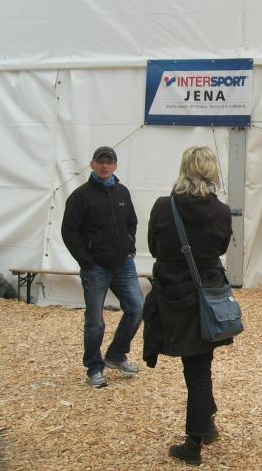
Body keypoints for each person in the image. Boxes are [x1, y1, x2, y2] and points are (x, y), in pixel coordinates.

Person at [143, 146, 233, 466]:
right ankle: (203, 428)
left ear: (184, 168)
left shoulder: (163, 206)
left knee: (195, 369)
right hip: (206, 294)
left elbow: (154, 247)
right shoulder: (221, 211)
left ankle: (195, 441)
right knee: (199, 367)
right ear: (211, 171)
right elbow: (221, 247)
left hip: (172, 294)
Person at [61, 146, 143, 389]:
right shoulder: (80, 196)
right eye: (101, 162)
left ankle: (116, 354)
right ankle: (94, 368)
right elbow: (69, 232)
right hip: (96, 268)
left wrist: (129, 246)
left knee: (137, 308)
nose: (105, 166)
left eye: (109, 162)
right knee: (95, 321)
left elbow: (132, 222)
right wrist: (86, 261)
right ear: (92, 164)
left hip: (124, 264)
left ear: (115, 166)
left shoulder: (122, 192)